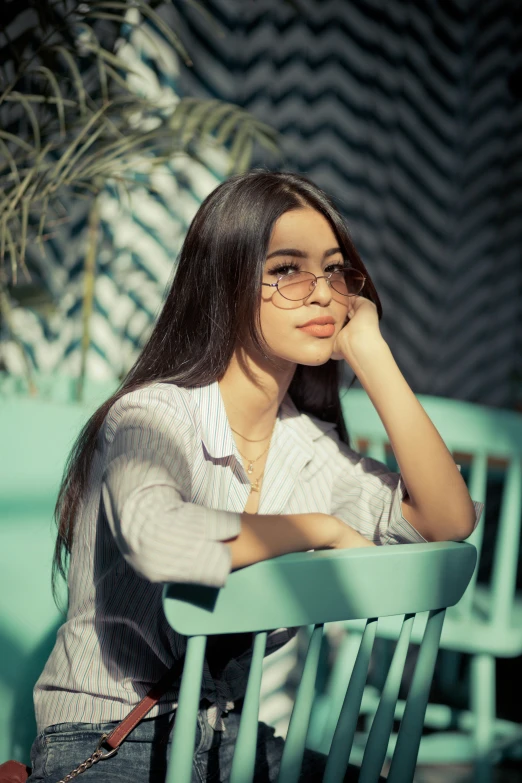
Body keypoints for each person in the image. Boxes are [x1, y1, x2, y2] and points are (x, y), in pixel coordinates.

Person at [27, 170, 481, 782]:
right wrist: (317, 528)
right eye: (287, 269)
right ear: (226, 283)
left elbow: (448, 520)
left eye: (334, 270)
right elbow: (163, 539)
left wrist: (373, 354)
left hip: (230, 739)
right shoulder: (153, 416)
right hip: (112, 735)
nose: (321, 293)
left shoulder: (309, 449)